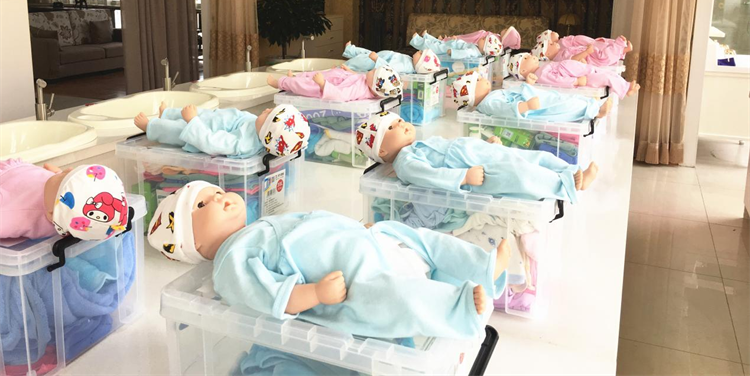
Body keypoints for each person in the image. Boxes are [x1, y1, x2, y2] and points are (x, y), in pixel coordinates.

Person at [146, 181, 511, 340]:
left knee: (421, 239)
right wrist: (315, 294)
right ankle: (460, 308)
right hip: (349, 279)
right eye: (202, 204)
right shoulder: (230, 262)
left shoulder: (258, 227)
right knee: (396, 298)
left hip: (366, 243)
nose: (219, 197)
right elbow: (268, 295)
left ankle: (481, 266)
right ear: (194, 243)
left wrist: (354, 227)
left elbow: (314, 225)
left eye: (216, 191)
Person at [356, 112, 598, 204]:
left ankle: (569, 170)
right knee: (520, 175)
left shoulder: (418, 144)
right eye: (391, 128)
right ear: (382, 151)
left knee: (532, 157)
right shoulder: (405, 163)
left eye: (399, 120)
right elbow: (430, 176)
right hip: (476, 171)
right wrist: (463, 177)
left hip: (480, 154)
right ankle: (567, 185)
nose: (402, 124)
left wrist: (485, 145)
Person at [0, 160, 128, 240]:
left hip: (7, 178)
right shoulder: (58, 204)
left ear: (51, 214)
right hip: (20, 170)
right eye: (69, 174)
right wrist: (58, 174)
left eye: (63, 178)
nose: (69, 169)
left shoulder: (16, 215)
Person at [134, 103, 310, 159]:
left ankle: (151, 127)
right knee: (192, 111)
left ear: (267, 132)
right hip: (212, 119)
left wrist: (193, 122)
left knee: (176, 129)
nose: (266, 109)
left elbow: (212, 143)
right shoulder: (257, 127)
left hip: (200, 131)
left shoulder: (244, 144)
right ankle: (166, 114)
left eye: (269, 114)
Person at [451, 71, 613, 120]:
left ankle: (591, 102)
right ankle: (595, 110)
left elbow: (512, 94)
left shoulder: (491, 96)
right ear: (472, 93)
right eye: (478, 80)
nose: (483, 78)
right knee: (562, 106)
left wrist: (528, 85)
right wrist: (526, 106)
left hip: (531, 98)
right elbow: (506, 110)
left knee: (560, 97)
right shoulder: (488, 104)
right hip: (535, 108)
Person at [507, 53, 640, 100]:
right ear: (523, 70)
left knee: (607, 73)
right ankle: (625, 89)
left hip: (583, 70)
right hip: (582, 77)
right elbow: (557, 81)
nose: (531, 56)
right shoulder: (540, 75)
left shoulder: (542, 67)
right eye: (526, 58)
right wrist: (575, 81)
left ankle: (626, 85)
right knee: (605, 78)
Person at [268, 65, 402, 102]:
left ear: (374, 85)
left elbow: (340, 95)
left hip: (327, 85)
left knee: (305, 85)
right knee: (311, 74)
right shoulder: (367, 83)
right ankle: (294, 77)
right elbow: (359, 77)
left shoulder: (360, 90)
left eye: (374, 72)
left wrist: (322, 84)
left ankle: (280, 83)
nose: (372, 70)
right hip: (338, 76)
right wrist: (348, 71)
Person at [532, 29, 632, 67]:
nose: (552, 32)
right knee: (603, 56)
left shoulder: (560, 50)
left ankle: (620, 48)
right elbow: (572, 58)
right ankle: (620, 47)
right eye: (550, 44)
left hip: (587, 50)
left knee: (601, 45)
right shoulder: (560, 52)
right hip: (588, 54)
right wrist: (586, 52)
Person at [342, 42, 442, 75]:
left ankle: (344, 68)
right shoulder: (411, 62)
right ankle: (350, 50)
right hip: (383, 56)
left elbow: (389, 69)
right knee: (367, 53)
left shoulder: (405, 66)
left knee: (361, 61)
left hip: (376, 62)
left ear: (420, 64)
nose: (419, 51)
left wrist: (377, 59)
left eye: (421, 54)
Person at [410, 30, 503, 59]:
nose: (482, 37)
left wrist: (453, 52)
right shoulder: (477, 49)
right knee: (439, 43)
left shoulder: (473, 52)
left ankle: (416, 40)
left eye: (484, 39)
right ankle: (426, 36)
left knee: (435, 47)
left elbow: (464, 53)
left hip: (452, 48)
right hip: (453, 44)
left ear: (485, 47)